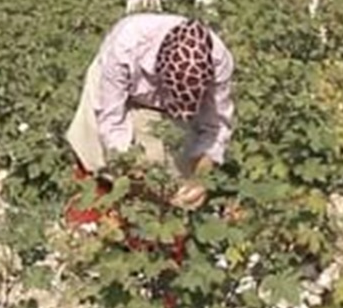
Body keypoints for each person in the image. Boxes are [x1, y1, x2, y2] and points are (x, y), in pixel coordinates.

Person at [64, 14, 234, 262]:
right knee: (94, 150)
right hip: (116, 94)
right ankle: (83, 232)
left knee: (176, 167)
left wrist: (199, 178)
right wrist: (134, 172)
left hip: (171, 99)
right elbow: (111, 121)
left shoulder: (219, 62)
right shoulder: (126, 44)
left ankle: (154, 247)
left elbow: (215, 126)